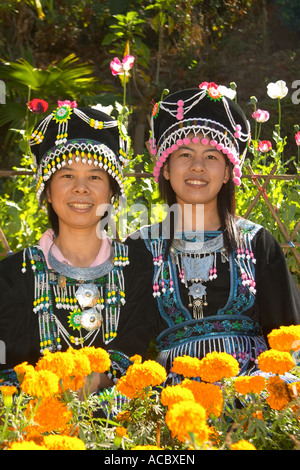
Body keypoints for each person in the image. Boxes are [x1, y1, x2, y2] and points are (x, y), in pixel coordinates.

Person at [110, 83, 300, 382]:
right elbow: (126, 343)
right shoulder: (140, 248)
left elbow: (288, 335)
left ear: (227, 172)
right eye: (184, 154)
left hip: (253, 396)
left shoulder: (257, 241)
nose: (198, 166)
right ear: (167, 169)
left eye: (211, 157)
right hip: (175, 400)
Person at [0, 101, 149, 390]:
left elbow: (132, 358)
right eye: (67, 175)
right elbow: (9, 371)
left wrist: (84, 386)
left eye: (95, 176)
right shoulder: (12, 275)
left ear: (111, 192)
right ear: (47, 190)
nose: (81, 188)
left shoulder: (137, 269)